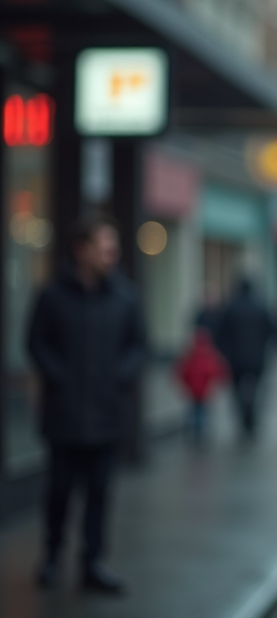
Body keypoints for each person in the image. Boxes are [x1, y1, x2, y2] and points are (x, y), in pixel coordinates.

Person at [27, 214, 146, 595]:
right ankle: (51, 556)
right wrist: (58, 377)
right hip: (64, 414)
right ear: (82, 250)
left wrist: (119, 377)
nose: (112, 254)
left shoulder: (126, 297)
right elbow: (36, 342)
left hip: (106, 414)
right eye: (104, 247)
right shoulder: (52, 296)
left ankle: (92, 563)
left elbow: (139, 346)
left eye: (114, 247)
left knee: (99, 494)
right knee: (58, 492)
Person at [215, 277, 275, 443]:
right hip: (257, 358)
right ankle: (251, 420)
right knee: (255, 391)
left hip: (235, 359)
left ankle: (243, 420)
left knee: (236, 392)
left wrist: (225, 351)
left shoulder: (230, 308)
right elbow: (270, 331)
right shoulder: (260, 307)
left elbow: (221, 333)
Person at [175, 328, 228, 447]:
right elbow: (219, 371)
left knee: (194, 412)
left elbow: (181, 372)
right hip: (204, 392)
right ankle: (201, 433)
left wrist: (184, 386)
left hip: (193, 391)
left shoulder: (189, 355)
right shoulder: (211, 355)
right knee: (203, 413)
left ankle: (195, 433)